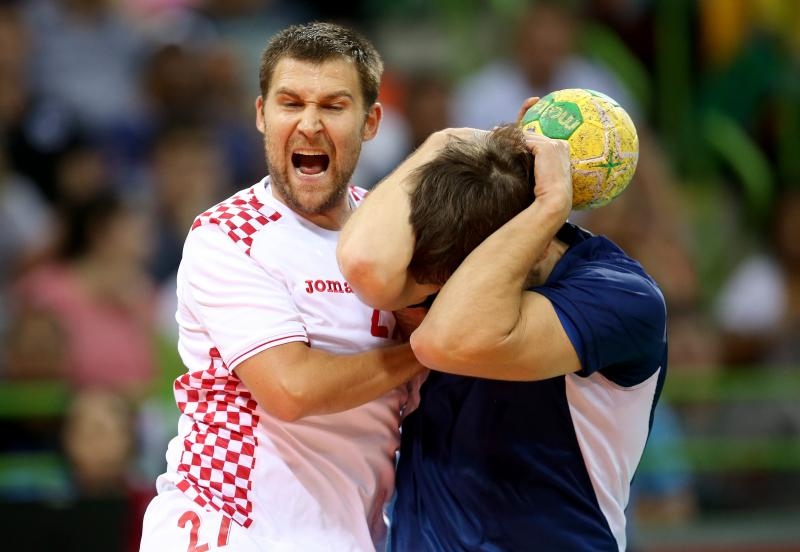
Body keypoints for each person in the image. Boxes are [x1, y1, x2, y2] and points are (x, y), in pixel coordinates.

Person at [139, 22, 425, 552]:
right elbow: (290, 390)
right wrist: (426, 350)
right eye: (290, 103)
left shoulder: (396, 233)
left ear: (371, 122)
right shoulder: (228, 235)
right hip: (231, 528)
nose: (310, 124)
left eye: (334, 106)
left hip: (352, 532)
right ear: (261, 115)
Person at [338, 120, 668, 551]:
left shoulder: (621, 295)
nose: (438, 284)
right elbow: (364, 265)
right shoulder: (450, 260)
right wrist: (446, 139)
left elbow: (444, 342)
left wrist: (550, 207)